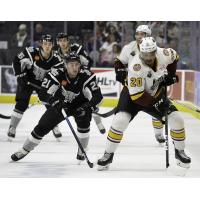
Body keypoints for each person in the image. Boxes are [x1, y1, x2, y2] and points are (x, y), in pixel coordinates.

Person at [97, 37, 191, 170]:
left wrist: (170, 75)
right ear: (140, 52)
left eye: (150, 54)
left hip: (154, 93)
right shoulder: (136, 67)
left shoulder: (163, 53)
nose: (148, 57)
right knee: (120, 121)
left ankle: (180, 152)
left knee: (177, 119)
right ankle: (108, 154)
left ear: (155, 51)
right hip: (132, 96)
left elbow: (175, 57)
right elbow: (137, 97)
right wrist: (157, 104)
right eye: (145, 54)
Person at [11, 52, 103, 163]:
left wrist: (88, 106)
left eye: (77, 64)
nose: (75, 68)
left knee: (84, 123)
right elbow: (43, 93)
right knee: (42, 126)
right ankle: (25, 149)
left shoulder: (87, 74)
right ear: (65, 64)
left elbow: (98, 96)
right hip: (60, 105)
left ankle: (82, 150)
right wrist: (53, 101)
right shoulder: (56, 72)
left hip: (80, 105)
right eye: (71, 64)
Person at [114, 24, 165, 144]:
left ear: (148, 35)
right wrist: (120, 71)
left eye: (142, 34)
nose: (139, 36)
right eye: (137, 33)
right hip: (134, 85)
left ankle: (159, 134)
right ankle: (115, 134)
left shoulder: (155, 49)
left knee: (158, 110)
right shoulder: (129, 47)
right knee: (122, 115)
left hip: (153, 84)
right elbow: (119, 61)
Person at [7, 34, 63, 141]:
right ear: (41, 44)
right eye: (45, 44)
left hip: (44, 84)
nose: (47, 46)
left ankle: (54, 126)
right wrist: (19, 74)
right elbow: (16, 60)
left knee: (52, 105)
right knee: (22, 103)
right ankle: (12, 127)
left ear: (53, 45)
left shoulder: (56, 59)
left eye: (49, 44)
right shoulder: (31, 52)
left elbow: (61, 74)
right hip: (28, 81)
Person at [56, 33, 106, 134]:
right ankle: (54, 126)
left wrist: (82, 74)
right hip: (68, 80)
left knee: (90, 98)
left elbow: (89, 61)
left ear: (68, 41)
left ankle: (98, 122)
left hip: (81, 78)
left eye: (64, 40)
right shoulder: (56, 54)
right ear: (57, 42)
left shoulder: (77, 49)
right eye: (60, 41)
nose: (63, 43)